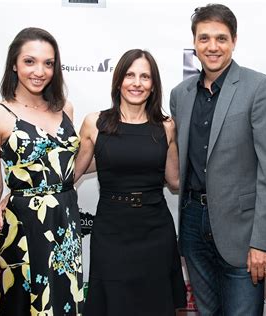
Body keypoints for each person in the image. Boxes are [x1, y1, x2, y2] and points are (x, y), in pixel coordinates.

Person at [170, 4, 266, 315]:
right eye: (204, 38)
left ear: (234, 40)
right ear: (194, 43)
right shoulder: (180, 94)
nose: (212, 47)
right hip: (194, 221)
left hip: (243, 228)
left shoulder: (258, 87)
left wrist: (263, 242)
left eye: (221, 38)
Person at [0, 27, 83, 315]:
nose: (40, 71)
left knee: (63, 302)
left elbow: (65, 166)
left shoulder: (66, 110)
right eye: (30, 61)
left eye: (48, 63)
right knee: (22, 305)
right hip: (23, 226)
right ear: (14, 63)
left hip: (65, 221)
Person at [75, 49, 187, 316]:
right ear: (118, 81)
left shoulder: (166, 126)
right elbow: (70, 173)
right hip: (111, 231)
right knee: (113, 304)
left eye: (145, 77)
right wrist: (17, 192)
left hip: (155, 231)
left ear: (153, 85)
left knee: (155, 306)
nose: (137, 83)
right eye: (130, 75)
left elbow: (174, 180)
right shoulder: (96, 123)